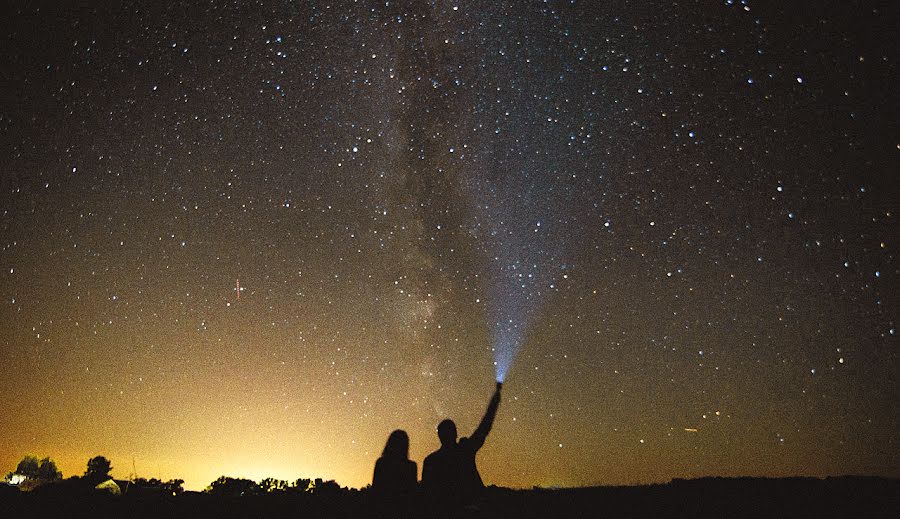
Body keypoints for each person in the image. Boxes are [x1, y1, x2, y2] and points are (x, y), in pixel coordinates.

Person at [422, 382, 502, 508]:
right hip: (471, 507)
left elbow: (427, 494)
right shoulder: (465, 451)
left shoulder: (430, 461)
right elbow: (484, 428)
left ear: (440, 436)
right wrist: (495, 400)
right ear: (455, 433)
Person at [372, 429, 417, 497]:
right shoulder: (411, 466)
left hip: (383, 503)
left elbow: (376, 488)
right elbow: (412, 491)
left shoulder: (381, 463)